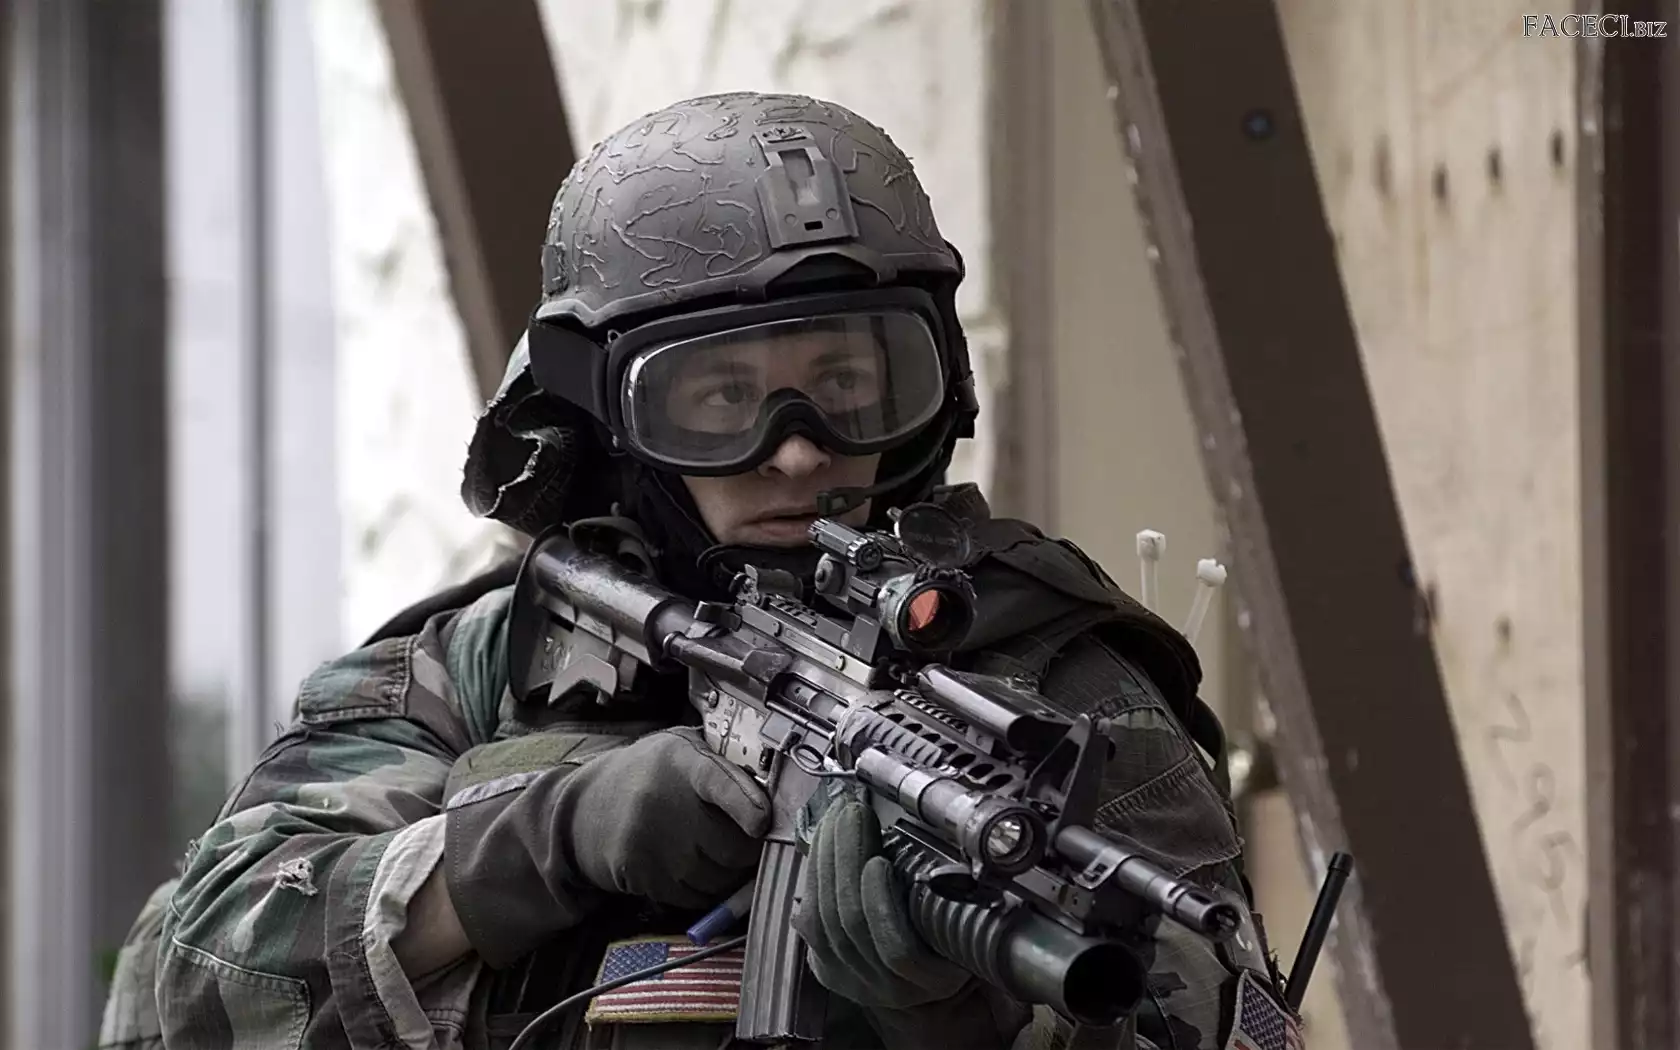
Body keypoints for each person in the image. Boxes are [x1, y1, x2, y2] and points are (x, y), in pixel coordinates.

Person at [101, 91, 1300, 1050]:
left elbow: (1222, 1015)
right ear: (613, 420)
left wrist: (952, 1012)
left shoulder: (1053, 680)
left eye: (848, 385)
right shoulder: (479, 668)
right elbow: (182, 994)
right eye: (720, 398)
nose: (799, 449)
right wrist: (543, 838)